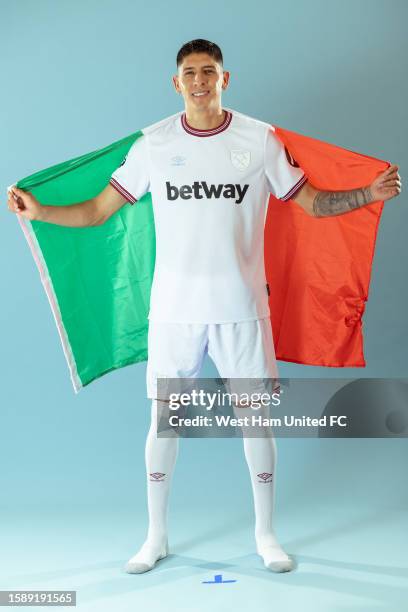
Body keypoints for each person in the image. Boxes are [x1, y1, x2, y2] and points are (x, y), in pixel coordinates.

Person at [7, 39, 401, 575]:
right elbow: (100, 210)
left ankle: (266, 536)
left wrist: (366, 195)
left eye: (208, 71)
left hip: (242, 309)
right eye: (189, 72)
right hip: (174, 312)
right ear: (177, 83)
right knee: (163, 422)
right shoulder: (153, 144)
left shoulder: (259, 140)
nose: (199, 80)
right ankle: (155, 537)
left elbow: (310, 202)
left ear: (224, 79)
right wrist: (42, 210)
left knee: (255, 422)